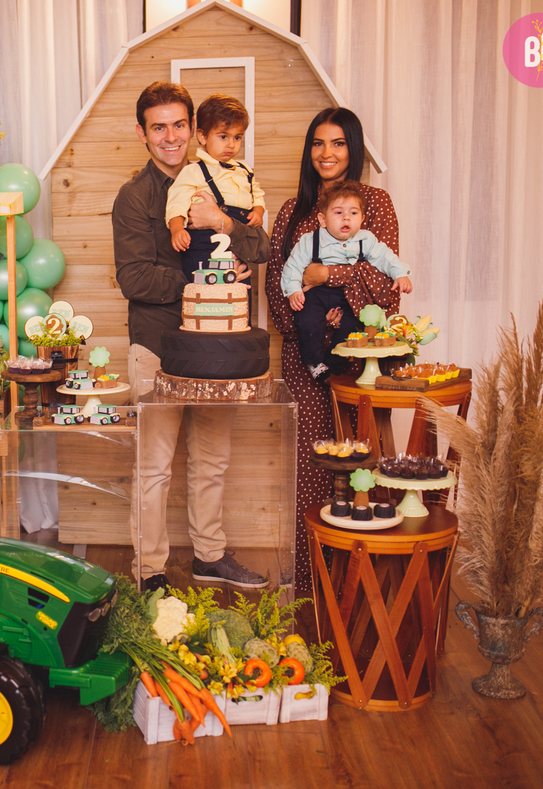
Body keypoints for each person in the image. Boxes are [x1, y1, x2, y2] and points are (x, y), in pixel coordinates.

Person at [113, 81, 272, 592]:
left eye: (178, 125)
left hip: (216, 349)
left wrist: (222, 220)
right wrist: (213, 282)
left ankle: (209, 554)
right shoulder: (135, 197)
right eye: (158, 127)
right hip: (157, 346)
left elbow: (261, 244)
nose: (170, 136)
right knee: (154, 466)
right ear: (142, 134)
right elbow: (135, 279)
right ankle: (150, 572)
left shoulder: (226, 180)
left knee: (213, 458)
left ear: (194, 129)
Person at [264, 108, 402, 590]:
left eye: (338, 143)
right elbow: (275, 286)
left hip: (361, 357)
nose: (327, 153)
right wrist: (303, 328)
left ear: (354, 148)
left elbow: (387, 290)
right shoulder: (293, 210)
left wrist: (330, 276)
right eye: (318, 143)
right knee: (314, 466)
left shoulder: (376, 205)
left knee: (365, 460)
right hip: (306, 359)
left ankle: (364, 584)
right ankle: (310, 583)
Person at [282, 180, 413, 380]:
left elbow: (385, 257)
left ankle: (334, 364)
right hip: (318, 293)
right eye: (338, 212)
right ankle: (315, 362)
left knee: (354, 326)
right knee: (307, 319)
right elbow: (293, 266)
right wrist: (293, 290)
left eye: (353, 213)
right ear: (323, 219)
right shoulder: (310, 241)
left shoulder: (365, 240)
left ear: (362, 218)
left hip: (349, 294)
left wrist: (400, 274)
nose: (346, 218)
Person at [166, 94, 266, 280]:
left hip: (238, 249)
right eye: (223, 136)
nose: (231, 144)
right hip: (203, 248)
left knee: (237, 299)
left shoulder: (244, 171)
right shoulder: (193, 172)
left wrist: (258, 211)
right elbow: (176, 203)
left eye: (237, 137)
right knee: (206, 301)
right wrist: (177, 229)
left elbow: (257, 194)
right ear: (202, 136)